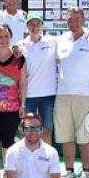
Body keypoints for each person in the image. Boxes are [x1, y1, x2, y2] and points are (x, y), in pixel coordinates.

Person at [54, 7, 89, 178]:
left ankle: (86, 171)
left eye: (77, 19)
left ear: (83, 20)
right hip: (62, 94)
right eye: (70, 19)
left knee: (85, 136)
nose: (73, 22)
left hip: (86, 95)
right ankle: (69, 171)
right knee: (65, 135)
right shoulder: (61, 40)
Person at [16, 12, 58, 144]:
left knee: (46, 130)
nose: (35, 27)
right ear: (27, 26)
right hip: (29, 95)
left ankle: (46, 156)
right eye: (31, 24)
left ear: (42, 25)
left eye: (38, 24)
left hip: (48, 94)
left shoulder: (53, 42)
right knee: (27, 130)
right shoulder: (21, 45)